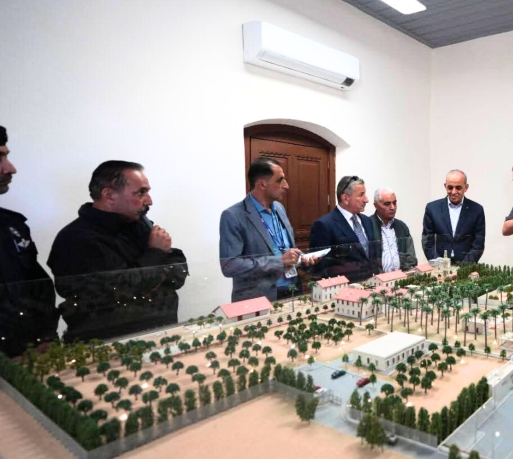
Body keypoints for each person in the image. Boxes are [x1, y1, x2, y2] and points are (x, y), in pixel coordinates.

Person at [48, 161, 189, 342]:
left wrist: (157, 266)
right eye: (141, 193)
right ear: (109, 196)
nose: (149, 201)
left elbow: (177, 269)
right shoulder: (76, 239)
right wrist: (156, 254)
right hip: (110, 343)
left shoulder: (137, 223)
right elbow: (123, 293)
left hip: (160, 332)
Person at [219, 157, 318, 302]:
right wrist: (279, 261)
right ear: (262, 184)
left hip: (293, 291)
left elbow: (284, 248)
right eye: (280, 180)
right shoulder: (233, 216)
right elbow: (229, 265)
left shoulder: (279, 208)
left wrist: (301, 258)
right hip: (258, 299)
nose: (286, 186)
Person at [0, 126, 59, 357]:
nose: (11, 168)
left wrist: (45, 336)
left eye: (6, 156)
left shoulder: (13, 225)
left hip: (26, 354)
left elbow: (38, 286)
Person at [308, 176, 377, 283]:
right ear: (345, 199)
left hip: (370, 283)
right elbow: (321, 267)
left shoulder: (367, 221)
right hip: (343, 287)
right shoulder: (324, 225)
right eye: (361, 195)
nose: (366, 199)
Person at [421, 170, 486, 263]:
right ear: (445, 186)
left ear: (466, 187)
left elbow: (478, 243)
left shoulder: (477, 210)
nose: (453, 192)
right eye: (450, 187)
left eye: (458, 188)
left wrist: (464, 267)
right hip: (439, 265)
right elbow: (427, 241)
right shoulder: (432, 208)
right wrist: (438, 264)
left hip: (466, 266)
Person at [370, 187, 417, 272]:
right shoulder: (368, 226)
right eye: (387, 204)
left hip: (401, 276)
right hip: (378, 277)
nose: (392, 207)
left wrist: (404, 274)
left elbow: (411, 259)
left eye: (394, 203)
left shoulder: (402, 227)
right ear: (376, 206)